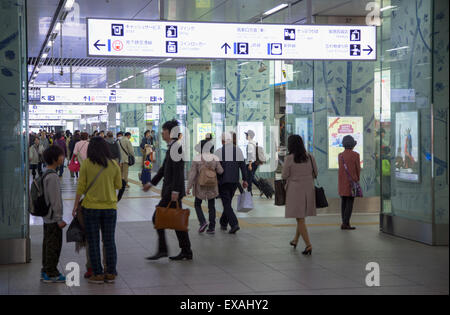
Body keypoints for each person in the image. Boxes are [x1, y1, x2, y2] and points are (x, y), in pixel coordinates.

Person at [72, 137, 122, 284]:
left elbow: (81, 187)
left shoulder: (87, 163)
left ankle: (98, 274)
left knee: (93, 242)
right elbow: (118, 185)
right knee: (109, 241)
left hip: (91, 208)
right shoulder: (114, 164)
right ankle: (111, 272)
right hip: (110, 208)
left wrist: (75, 206)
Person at [143, 119, 193, 261]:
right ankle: (186, 251)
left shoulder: (176, 147)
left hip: (172, 191)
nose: (162, 133)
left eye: (163, 131)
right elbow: (163, 170)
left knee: (157, 217)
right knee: (177, 220)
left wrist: (175, 192)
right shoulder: (172, 147)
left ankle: (164, 250)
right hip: (171, 190)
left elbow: (178, 172)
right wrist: (151, 184)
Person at [282, 135, 317, 255]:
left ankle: (308, 245)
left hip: (295, 190)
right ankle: (295, 240)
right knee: (301, 217)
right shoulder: (310, 157)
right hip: (309, 189)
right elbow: (315, 173)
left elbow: (284, 175)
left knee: (300, 218)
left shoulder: (289, 158)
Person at [41, 145, 67, 283]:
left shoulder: (45, 173)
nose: (63, 157)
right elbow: (55, 200)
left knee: (47, 244)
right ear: (55, 158)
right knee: (53, 246)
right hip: (53, 218)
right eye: (61, 155)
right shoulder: (53, 177)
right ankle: (51, 273)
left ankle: (45, 270)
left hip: (47, 217)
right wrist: (59, 219)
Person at [187, 139, 223, 234]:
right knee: (211, 206)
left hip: (200, 185)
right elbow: (220, 171)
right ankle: (212, 227)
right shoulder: (215, 157)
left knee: (197, 204)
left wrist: (188, 187)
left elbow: (192, 174)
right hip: (212, 185)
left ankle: (202, 222)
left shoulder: (197, 158)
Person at [214, 132, 248, 234]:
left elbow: (216, 167)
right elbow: (243, 166)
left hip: (223, 181)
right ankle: (223, 222)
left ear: (223, 141)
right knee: (227, 202)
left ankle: (234, 224)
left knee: (226, 204)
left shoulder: (219, 151)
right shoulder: (238, 150)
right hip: (234, 181)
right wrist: (245, 180)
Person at [338, 135, 361, 230]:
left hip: (342, 182)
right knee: (350, 202)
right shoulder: (355, 155)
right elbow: (357, 169)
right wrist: (357, 179)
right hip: (351, 182)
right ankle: (345, 223)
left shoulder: (340, 155)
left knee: (343, 202)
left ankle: (344, 222)